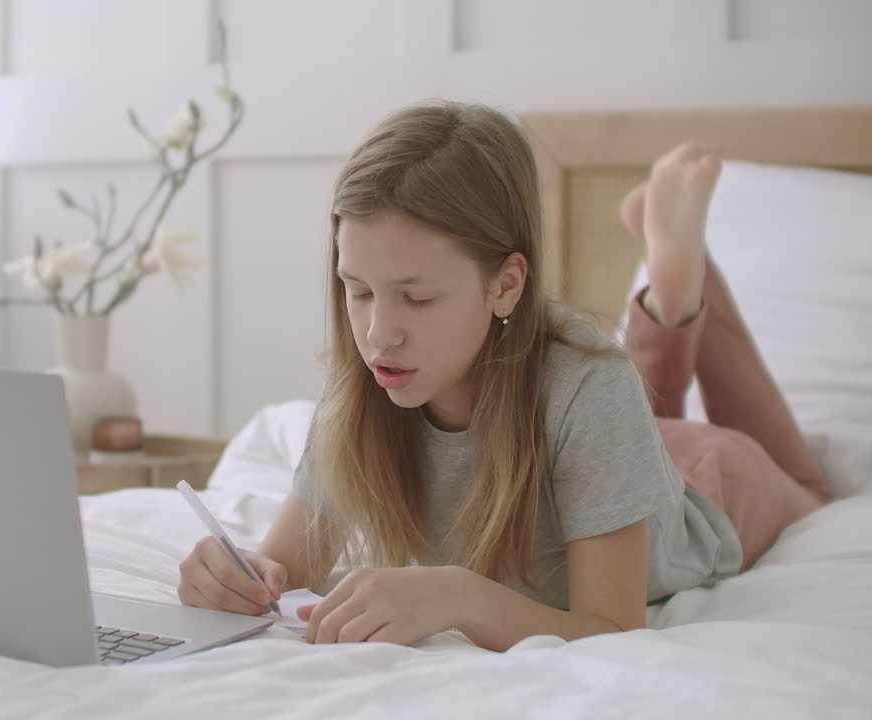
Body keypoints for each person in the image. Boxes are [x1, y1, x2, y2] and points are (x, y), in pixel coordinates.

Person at [177, 101, 830, 651]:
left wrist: (459, 594)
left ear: (507, 284)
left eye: (418, 297)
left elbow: (612, 628)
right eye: (358, 290)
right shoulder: (369, 379)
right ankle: (669, 285)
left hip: (708, 478)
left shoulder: (591, 391)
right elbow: (286, 570)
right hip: (607, 441)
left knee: (810, 487)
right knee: (622, 389)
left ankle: (682, 283)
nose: (379, 333)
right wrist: (238, 578)